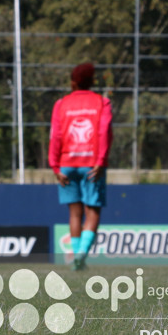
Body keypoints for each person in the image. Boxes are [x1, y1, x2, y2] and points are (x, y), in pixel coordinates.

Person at [48, 62, 113, 271]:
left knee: (75, 213)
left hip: (67, 164)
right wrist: (101, 160)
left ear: (73, 82)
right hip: (91, 164)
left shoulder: (61, 104)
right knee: (92, 211)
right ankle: (81, 254)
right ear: (92, 82)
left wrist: (55, 166)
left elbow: (55, 135)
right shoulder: (102, 102)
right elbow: (104, 132)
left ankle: (76, 257)